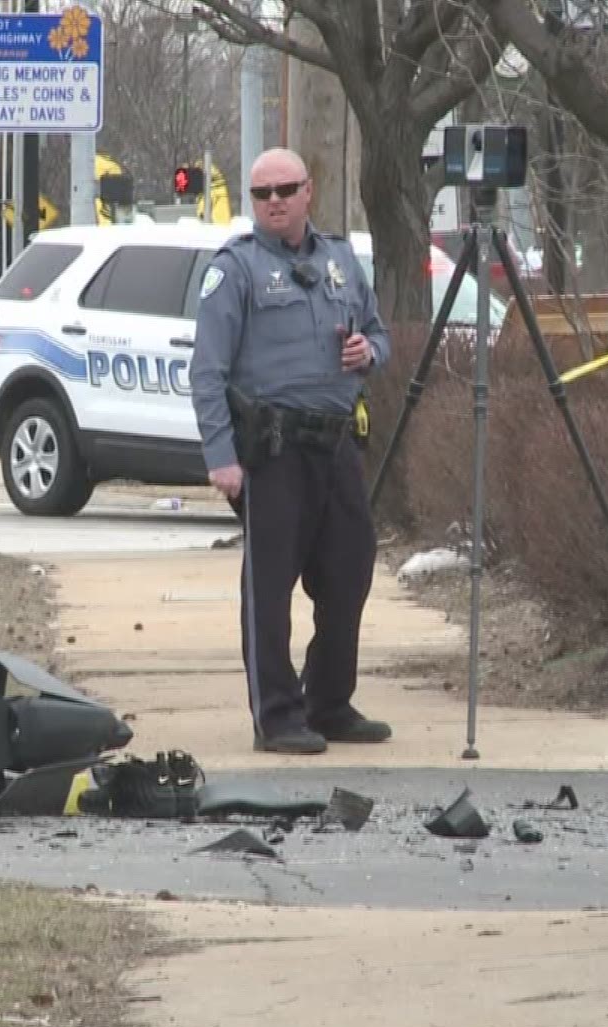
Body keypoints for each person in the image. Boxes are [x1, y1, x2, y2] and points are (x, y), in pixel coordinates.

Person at [187, 147, 394, 755]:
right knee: (270, 588)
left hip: (334, 446)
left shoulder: (340, 260)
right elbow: (207, 372)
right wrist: (220, 456)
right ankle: (276, 715)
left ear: (309, 192)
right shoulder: (236, 269)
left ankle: (328, 702)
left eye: (285, 190)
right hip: (271, 451)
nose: (273, 202)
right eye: (262, 194)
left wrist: (369, 353)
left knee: (350, 570)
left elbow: (378, 333)